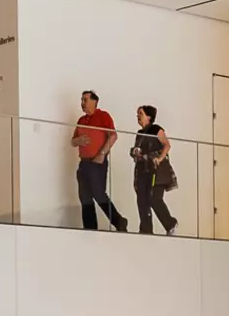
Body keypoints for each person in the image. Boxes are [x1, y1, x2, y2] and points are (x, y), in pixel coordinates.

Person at [70, 89, 128, 231]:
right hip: (83, 163)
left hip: (96, 163)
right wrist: (78, 140)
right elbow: (72, 141)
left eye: (85, 100)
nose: (82, 103)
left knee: (98, 193)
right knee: (85, 197)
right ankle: (90, 229)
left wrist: (102, 154)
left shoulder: (103, 116)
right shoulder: (81, 120)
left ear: (94, 101)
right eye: (81, 100)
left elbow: (113, 136)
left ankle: (119, 222)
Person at [130, 105, 179, 235]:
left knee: (154, 198)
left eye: (140, 113)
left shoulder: (156, 129)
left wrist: (160, 158)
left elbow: (167, 145)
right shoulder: (139, 133)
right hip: (142, 170)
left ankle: (170, 223)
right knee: (142, 200)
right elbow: (138, 150)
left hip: (156, 171)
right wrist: (135, 152)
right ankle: (146, 230)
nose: (138, 116)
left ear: (149, 117)